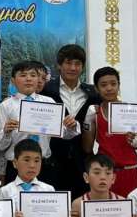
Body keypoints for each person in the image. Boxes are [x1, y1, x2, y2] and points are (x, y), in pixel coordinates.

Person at [0, 61, 79, 186]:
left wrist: (72, 126)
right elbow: (1, 146)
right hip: (15, 166)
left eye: (33, 75)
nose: (28, 79)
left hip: (44, 165)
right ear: (13, 80)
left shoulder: (49, 102)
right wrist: (6, 132)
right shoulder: (6, 106)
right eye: (23, 75)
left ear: (39, 79)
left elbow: (65, 134)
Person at [40, 44, 100, 199]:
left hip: (83, 161)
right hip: (52, 160)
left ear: (83, 67)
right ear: (59, 65)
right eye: (68, 63)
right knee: (54, 205)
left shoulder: (93, 93)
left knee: (82, 206)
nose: (73, 68)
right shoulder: (46, 90)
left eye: (77, 64)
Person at [82, 66, 137, 197]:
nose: (109, 88)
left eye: (113, 84)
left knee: (131, 208)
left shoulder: (131, 111)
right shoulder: (95, 112)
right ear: (97, 88)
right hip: (105, 173)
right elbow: (87, 147)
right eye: (104, 85)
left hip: (129, 171)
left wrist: (136, 141)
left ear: (118, 85)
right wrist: (87, 123)